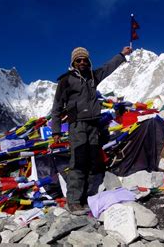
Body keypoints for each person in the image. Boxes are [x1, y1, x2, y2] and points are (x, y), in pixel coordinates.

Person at [51, 46, 132, 214]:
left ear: (88, 61)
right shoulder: (65, 80)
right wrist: (56, 131)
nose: (82, 62)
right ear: (73, 62)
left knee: (92, 163)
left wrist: (122, 55)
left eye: (84, 59)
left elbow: (108, 67)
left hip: (93, 126)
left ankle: (86, 199)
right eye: (78, 60)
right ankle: (73, 201)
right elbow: (57, 107)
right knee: (78, 162)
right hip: (77, 125)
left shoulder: (93, 76)